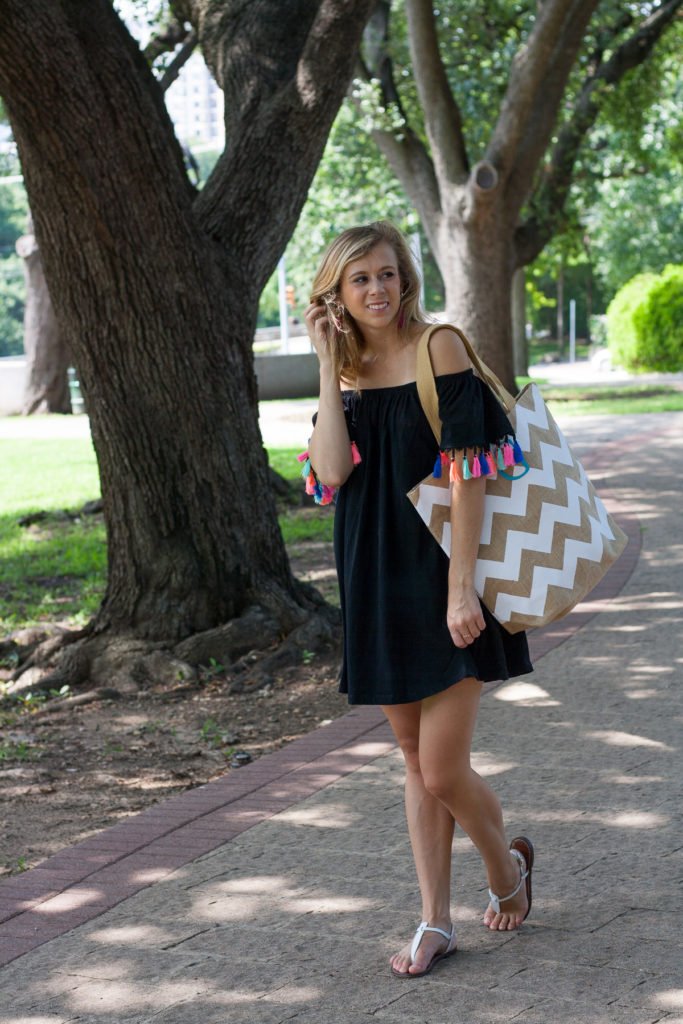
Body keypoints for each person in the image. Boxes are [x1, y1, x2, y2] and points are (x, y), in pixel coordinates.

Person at [302, 221, 534, 979]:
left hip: (444, 574)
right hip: (372, 576)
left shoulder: (440, 348)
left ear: (405, 279)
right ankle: (435, 920)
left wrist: (461, 588)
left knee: (439, 769)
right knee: (414, 759)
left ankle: (505, 872)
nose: (377, 289)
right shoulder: (344, 368)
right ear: (336, 295)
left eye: (387, 273)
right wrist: (325, 366)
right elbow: (331, 475)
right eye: (359, 279)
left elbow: (472, 472)